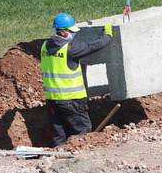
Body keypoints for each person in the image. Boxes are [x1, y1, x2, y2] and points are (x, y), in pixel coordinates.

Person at [41, 13, 113, 147]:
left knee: (59, 134)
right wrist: (108, 35)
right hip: (71, 101)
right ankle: (80, 160)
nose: (73, 34)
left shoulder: (44, 46)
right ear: (62, 32)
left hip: (52, 101)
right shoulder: (70, 50)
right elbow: (94, 46)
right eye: (71, 31)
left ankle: (59, 157)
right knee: (83, 131)